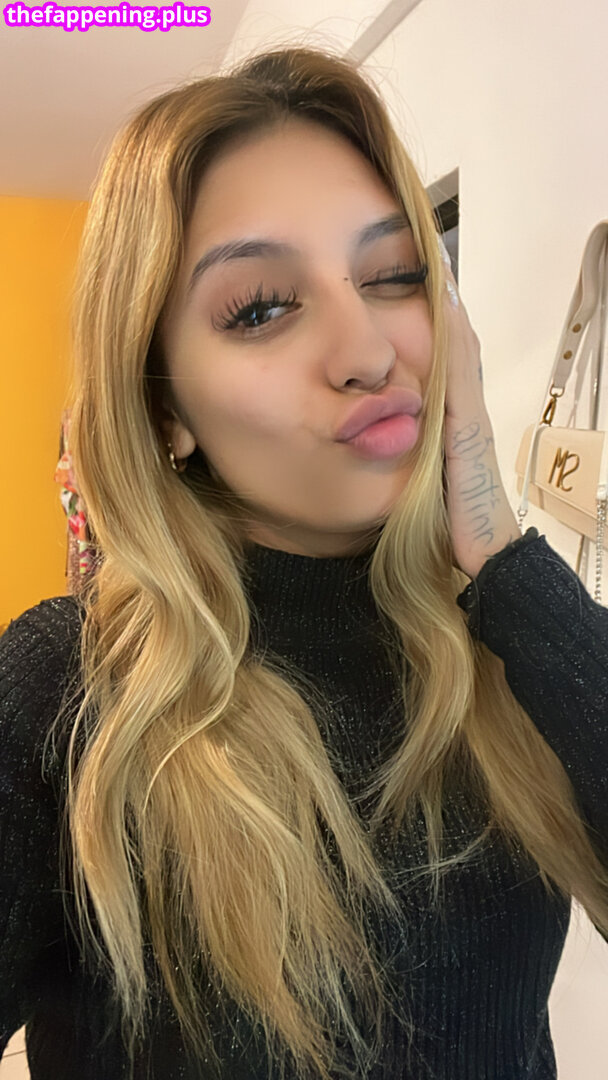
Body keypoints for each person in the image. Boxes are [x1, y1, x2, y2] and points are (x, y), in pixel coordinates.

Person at [1, 45, 607, 1080]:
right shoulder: (70, 695)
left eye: (394, 276)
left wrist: (498, 547)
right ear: (160, 406)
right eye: (261, 308)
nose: (368, 352)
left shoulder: (505, 649)